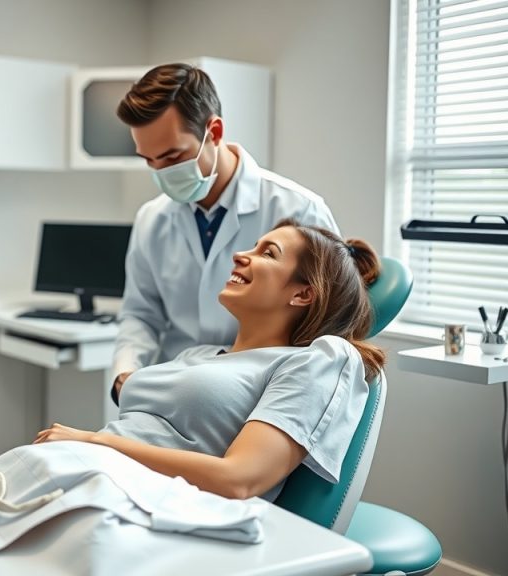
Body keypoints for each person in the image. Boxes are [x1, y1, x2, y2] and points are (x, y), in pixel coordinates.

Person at [0, 219, 386, 557]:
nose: (241, 256)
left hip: (132, 504)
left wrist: (95, 442)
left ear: (303, 293)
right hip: (77, 475)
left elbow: (239, 480)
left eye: (266, 252)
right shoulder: (202, 355)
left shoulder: (318, 360)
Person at [111, 63, 341, 403]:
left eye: (173, 156)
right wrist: (125, 373)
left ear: (214, 132)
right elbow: (140, 313)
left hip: (261, 396)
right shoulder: (152, 218)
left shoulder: (298, 210)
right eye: (149, 161)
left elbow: (328, 328)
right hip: (174, 391)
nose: (162, 172)